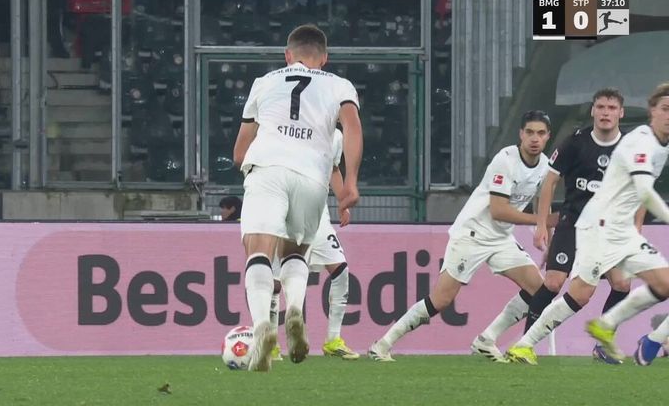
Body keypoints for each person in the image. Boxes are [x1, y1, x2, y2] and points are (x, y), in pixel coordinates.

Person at [368, 110, 554, 362]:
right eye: (530, 132)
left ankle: (486, 340)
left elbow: (543, 203)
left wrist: (548, 238)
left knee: (539, 290)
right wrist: (539, 222)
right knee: (442, 299)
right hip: (472, 233)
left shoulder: (545, 166)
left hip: (501, 238)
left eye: (540, 133)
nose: (534, 138)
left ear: (548, 136)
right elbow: (499, 210)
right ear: (521, 134)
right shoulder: (506, 160)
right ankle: (382, 344)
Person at [507, 82, 669, 366]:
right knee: (580, 294)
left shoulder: (659, 144)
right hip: (598, 225)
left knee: (651, 283)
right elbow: (644, 191)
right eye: (665, 109)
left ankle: (628, 333)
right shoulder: (641, 142)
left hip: (620, 228)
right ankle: (524, 345)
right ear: (651, 111)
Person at [232, 24, 363, 372]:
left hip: (268, 168)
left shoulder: (264, 82)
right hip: (312, 176)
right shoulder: (340, 85)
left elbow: (239, 152)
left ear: (288, 55)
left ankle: (263, 327)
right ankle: (294, 310)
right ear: (324, 58)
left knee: (258, 251)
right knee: (296, 252)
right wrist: (351, 181)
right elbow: (352, 127)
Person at [269, 128, 359, 361]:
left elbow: (333, 169)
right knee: (275, 282)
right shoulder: (290, 128)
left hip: (318, 216)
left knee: (340, 270)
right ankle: (271, 343)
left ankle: (333, 340)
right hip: (286, 213)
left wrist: (342, 202)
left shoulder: (336, 136)